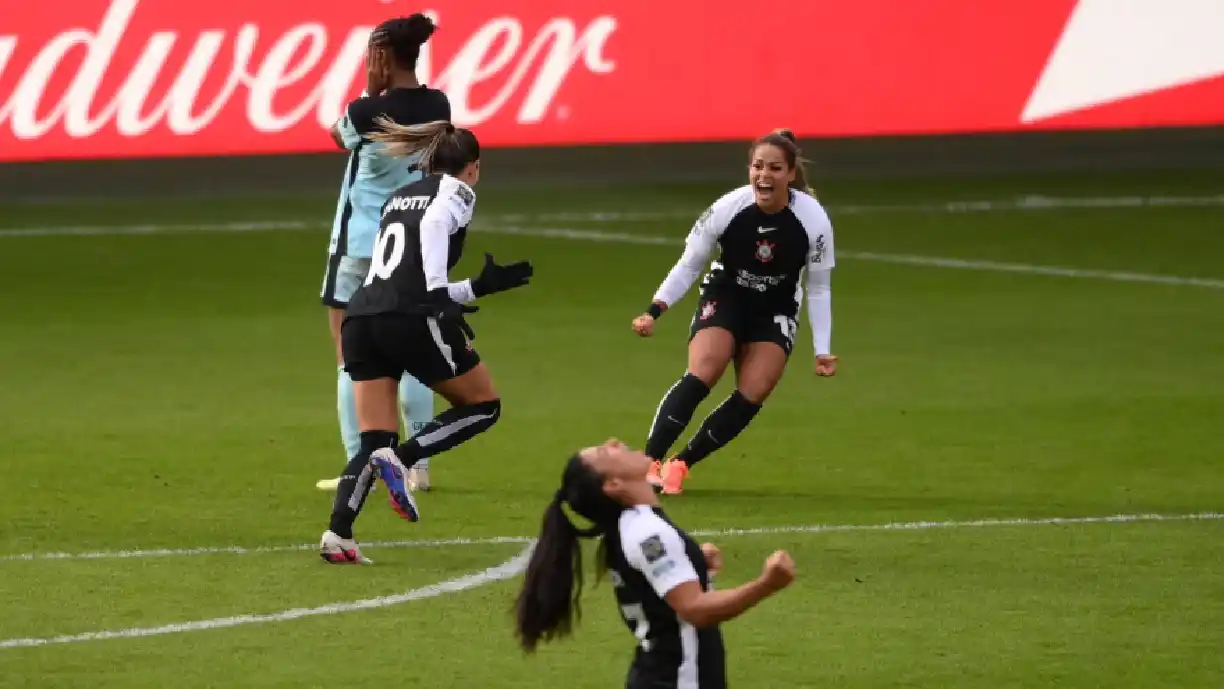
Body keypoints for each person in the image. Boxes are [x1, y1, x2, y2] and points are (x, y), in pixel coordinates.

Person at [319, 118, 534, 564]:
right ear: (472, 167)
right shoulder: (457, 193)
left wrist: (477, 287)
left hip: (362, 317)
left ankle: (338, 533)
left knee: (372, 440)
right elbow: (429, 269)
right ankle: (404, 457)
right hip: (408, 317)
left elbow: (402, 273)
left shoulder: (398, 197)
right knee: (483, 406)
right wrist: (447, 294)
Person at [631, 129, 838, 495]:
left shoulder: (813, 220)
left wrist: (822, 349)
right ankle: (649, 461)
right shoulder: (727, 209)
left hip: (775, 308)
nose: (764, 175)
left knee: (754, 391)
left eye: (775, 168)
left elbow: (819, 285)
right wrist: (655, 309)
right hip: (727, 296)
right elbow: (689, 264)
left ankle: (682, 464)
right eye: (758, 166)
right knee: (705, 370)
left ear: (790, 174)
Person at [513, 438, 797, 688]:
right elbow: (694, 610)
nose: (614, 441)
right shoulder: (647, 533)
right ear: (613, 484)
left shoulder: (630, 527)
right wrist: (767, 584)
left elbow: (654, 594)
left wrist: (697, 566)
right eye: (604, 451)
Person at [316, 14, 451, 495]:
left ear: (381, 58)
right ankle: (420, 464)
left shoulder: (365, 112)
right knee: (412, 351)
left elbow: (336, 136)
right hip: (410, 242)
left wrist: (371, 92)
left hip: (358, 245)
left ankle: (361, 470)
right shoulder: (439, 104)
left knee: (349, 356)